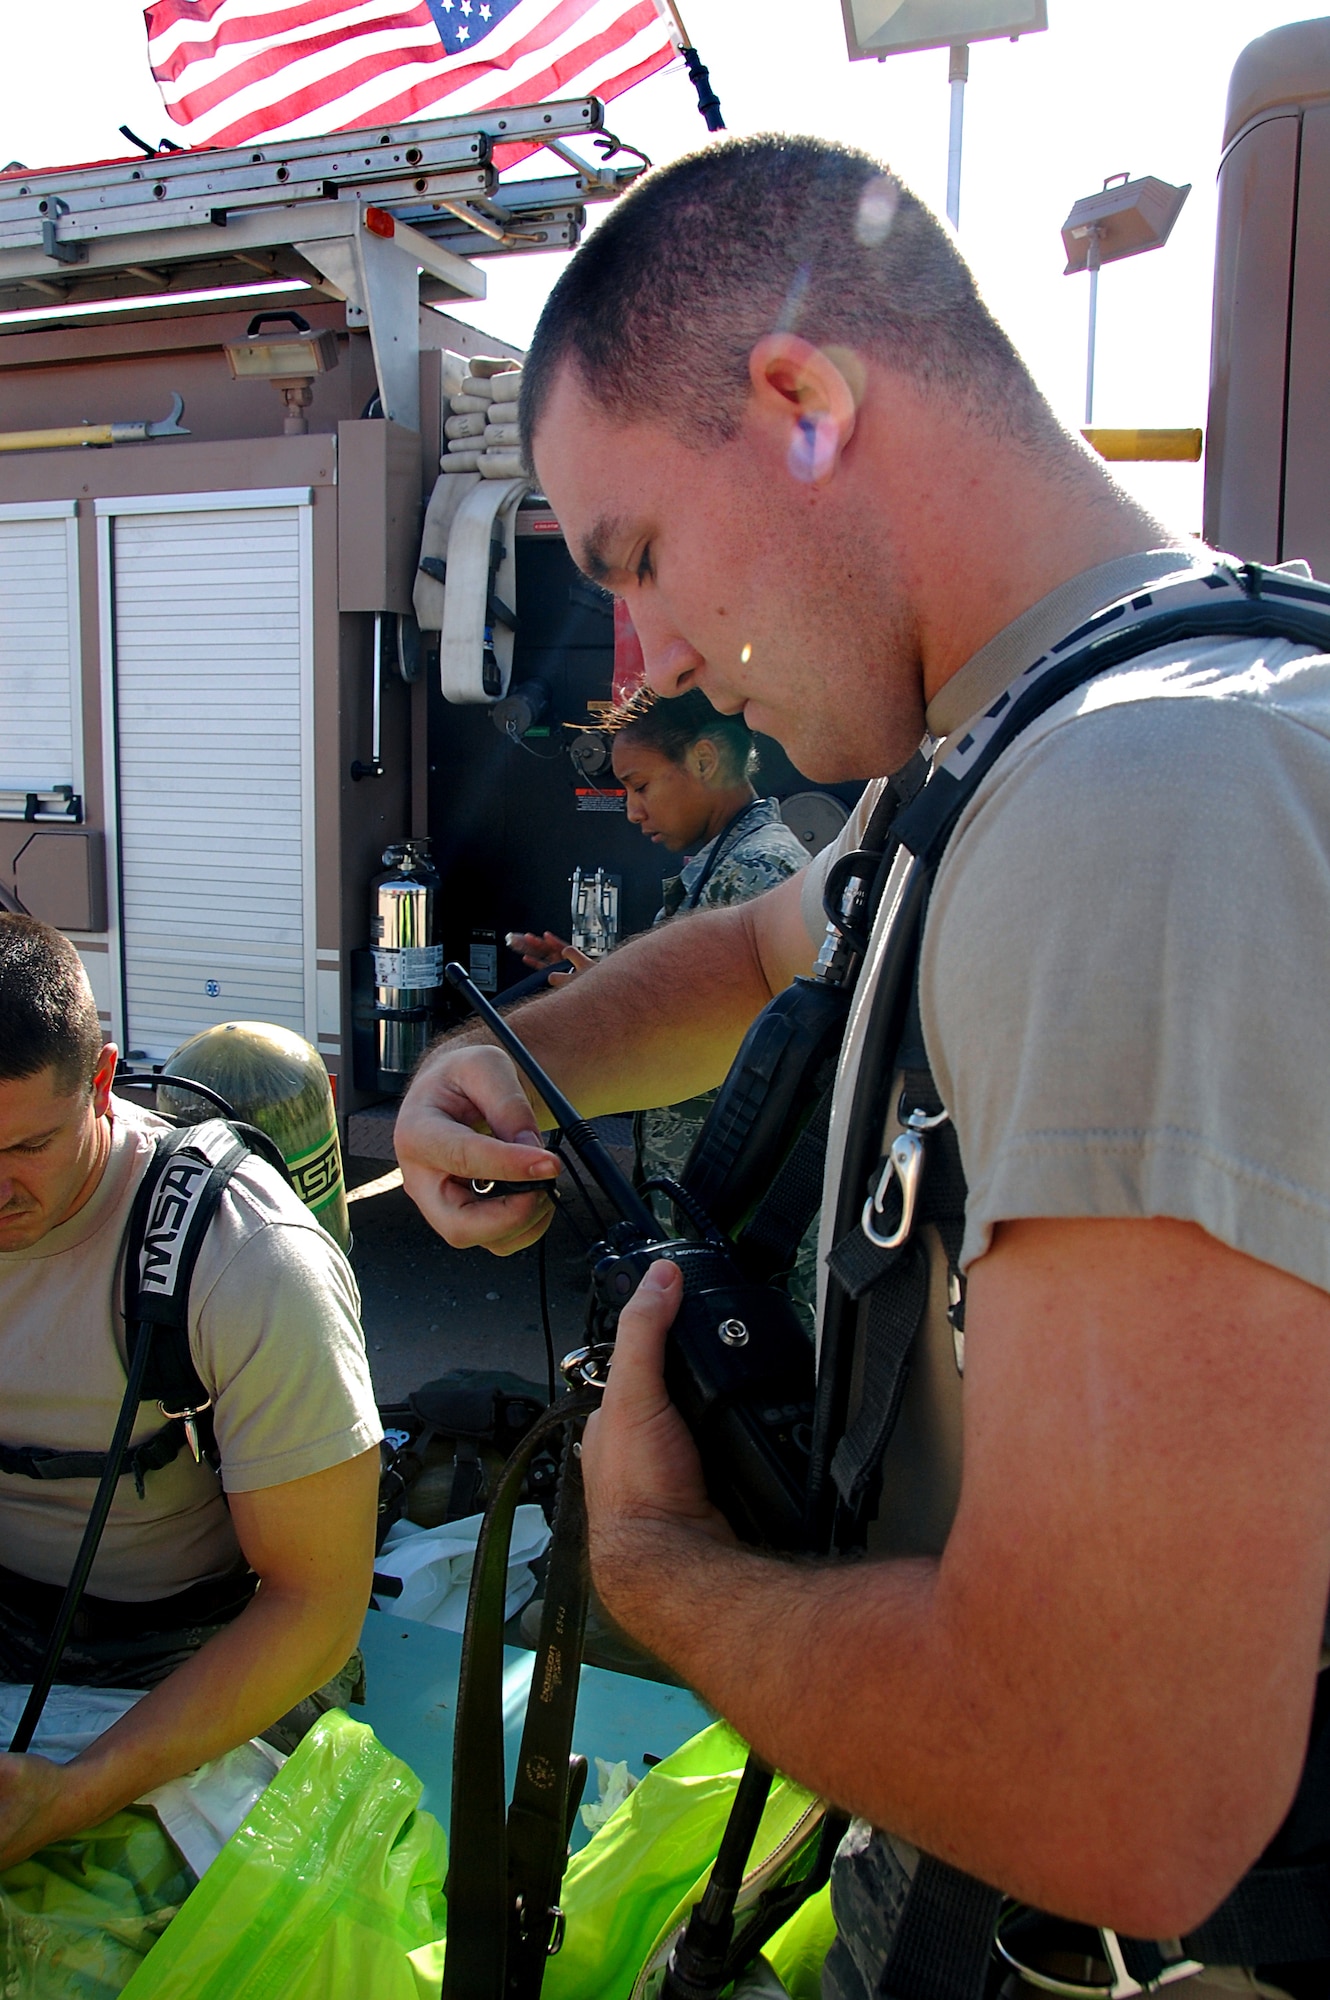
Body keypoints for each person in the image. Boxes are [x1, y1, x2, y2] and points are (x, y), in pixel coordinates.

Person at [395, 134, 1330, 1996]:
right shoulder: (1034, 742)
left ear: (804, 399)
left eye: (639, 557)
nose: (643, 655)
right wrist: (514, 1064)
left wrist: (653, 1555)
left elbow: (1115, 1784)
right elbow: (765, 945)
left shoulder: (1139, 808)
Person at [0, 916, 382, 1872]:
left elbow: (315, 1607)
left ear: (101, 1082)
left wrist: (74, 1793)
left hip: (195, 1648)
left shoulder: (243, 1260)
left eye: (27, 1147)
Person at [509, 687, 809, 1221]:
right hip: (710, 1204)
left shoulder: (757, 872)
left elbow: (739, 1048)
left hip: (734, 1219)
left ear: (704, 760)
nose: (632, 810)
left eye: (640, 785)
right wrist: (599, 983)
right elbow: (711, 1003)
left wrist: (604, 1009)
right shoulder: (727, 864)